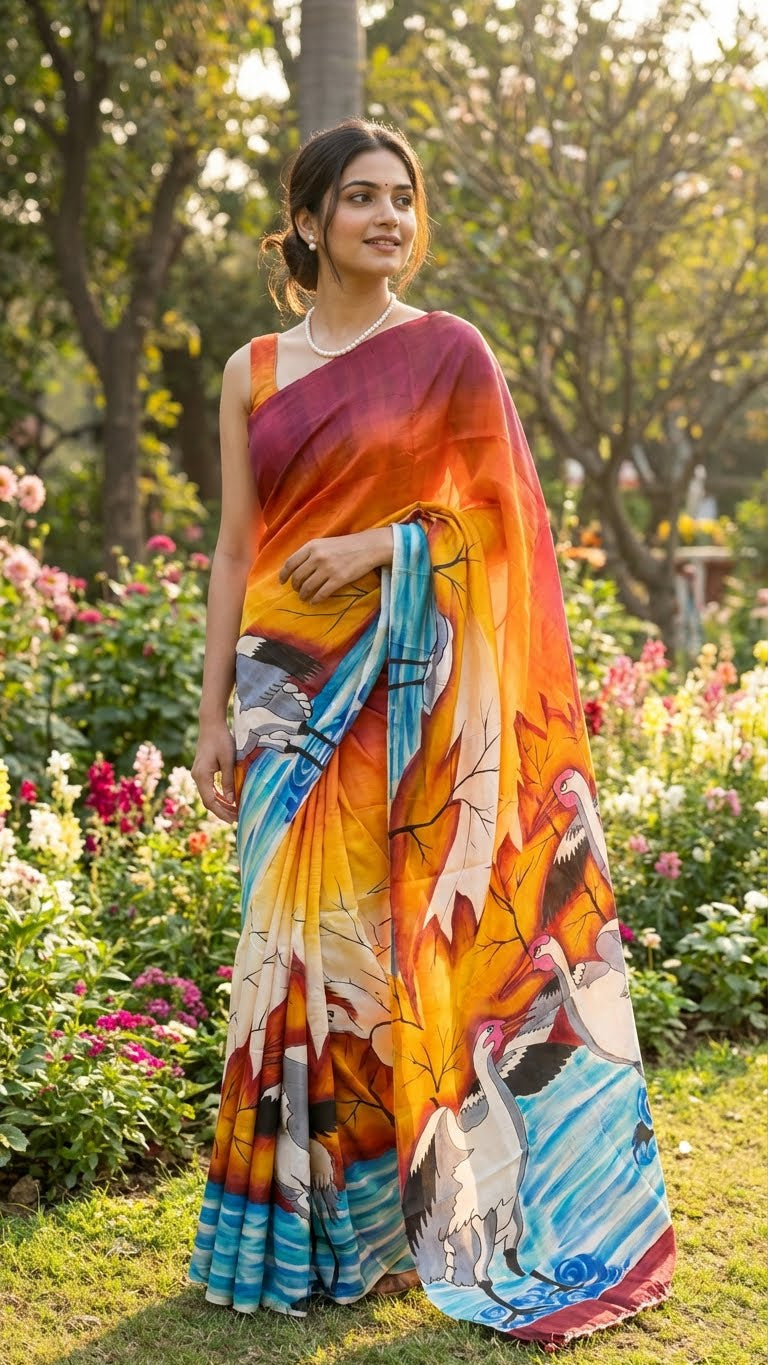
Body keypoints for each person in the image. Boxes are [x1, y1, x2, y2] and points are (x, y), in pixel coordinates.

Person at [187, 118, 675, 1348]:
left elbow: (507, 527)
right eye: (361, 198)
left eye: (402, 198)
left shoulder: (450, 353)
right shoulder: (252, 370)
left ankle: (377, 1229)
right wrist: (208, 717)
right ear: (307, 223)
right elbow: (235, 550)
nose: (389, 218)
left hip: (400, 701)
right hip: (281, 694)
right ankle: (292, 1232)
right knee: (284, 960)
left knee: (369, 957)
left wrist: (384, 546)